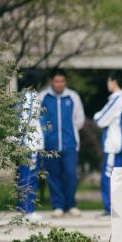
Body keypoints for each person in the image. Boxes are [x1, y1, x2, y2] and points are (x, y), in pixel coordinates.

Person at [39, 68, 85, 218]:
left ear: (65, 82)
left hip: (70, 144)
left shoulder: (73, 97)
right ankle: (58, 206)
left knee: (71, 174)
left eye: (62, 81)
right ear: (51, 81)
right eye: (56, 81)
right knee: (53, 176)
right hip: (49, 145)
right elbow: (38, 120)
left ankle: (71, 205)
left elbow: (80, 120)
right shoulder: (43, 97)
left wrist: (69, 133)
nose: (59, 84)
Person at [93, 71, 122, 216]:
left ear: (114, 81)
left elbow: (100, 119)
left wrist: (97, 116)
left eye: (109, 80)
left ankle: (110, 209)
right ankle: (115, 208)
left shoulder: (117, 99)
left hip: (113, 147)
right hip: (118, 146)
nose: (108, 83)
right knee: (117, 177)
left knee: (108, 178)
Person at [15, 88, 44, 223]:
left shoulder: (23, 96)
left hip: (26, 144)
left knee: (24, 178)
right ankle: (27, 212)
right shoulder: (30, 96)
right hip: (29, 145)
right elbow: (26, 121)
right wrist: (21, 143)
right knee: (29, 178)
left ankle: (23, 210)